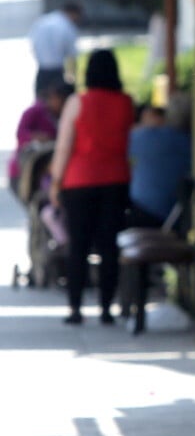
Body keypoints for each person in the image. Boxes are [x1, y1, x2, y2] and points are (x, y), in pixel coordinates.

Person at [49, 48, 134, 325]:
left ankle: (75, 308)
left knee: (79, 245)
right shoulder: (126, 103)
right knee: (109, 245)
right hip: (115, 180)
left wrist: (55, 181)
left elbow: (64, 145)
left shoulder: (77, 102)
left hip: (79, 181)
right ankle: (107, 308)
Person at [128, 91, 192, 228]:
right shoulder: (192, 144)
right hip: (178, 217)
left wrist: (147, 124)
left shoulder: (145, 136)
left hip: (144, 212)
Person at [8, 79, 74, 196]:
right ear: (55, 97)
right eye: (63, 102)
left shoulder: (62, 117)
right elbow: (20, 134)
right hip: (24, 172)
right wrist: (37, 137)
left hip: (47, 174)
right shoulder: (35, 111)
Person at [30, 2, 82, 97]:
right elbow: (72, 57)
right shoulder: (68, 26)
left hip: (42, 72)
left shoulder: (42, 21)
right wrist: (72, 79)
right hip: (56, 73)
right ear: (73, 13)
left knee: (41, 105)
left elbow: (33, 46)